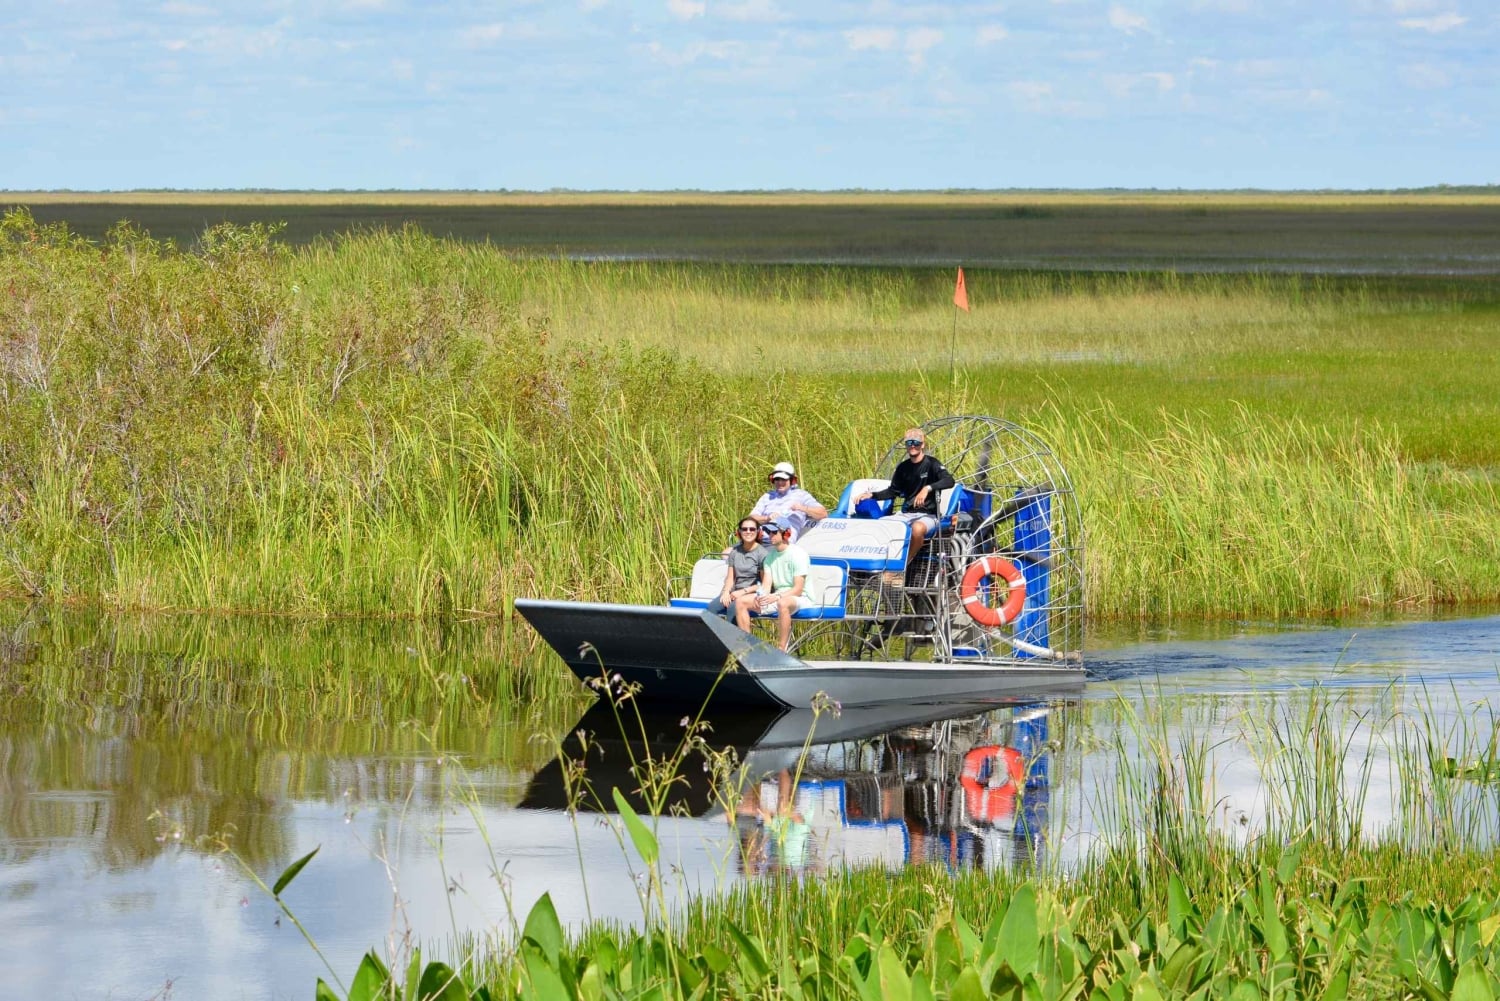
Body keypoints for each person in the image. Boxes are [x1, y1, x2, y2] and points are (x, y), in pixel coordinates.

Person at [854, 427, 956, 578]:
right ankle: (871, 568)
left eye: (916, 442)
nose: (912, 446)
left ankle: (900, 569)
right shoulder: (903, 468)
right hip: (906, 513)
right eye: (909, 443)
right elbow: (892, 491)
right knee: (879, 524)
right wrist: (871, 495)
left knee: (917, 528)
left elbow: (949, 480)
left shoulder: (932, 464)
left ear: (922, 444)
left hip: (929, 515)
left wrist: (927, 488)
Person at [737, 517, 813, 651]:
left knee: (782, 603)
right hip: (778, 597)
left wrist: (777, 596)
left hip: (801, 598)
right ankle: (747, 650)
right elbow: (766, 586)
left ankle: (781, 649)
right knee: (741, 602)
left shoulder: (798, 554)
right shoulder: (769, 558)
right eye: (768, 532)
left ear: (786, 534)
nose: (770, 535)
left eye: (774, 532)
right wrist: (760, 596)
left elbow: (798, 589)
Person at [709, 518, 769, 626]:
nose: (748, 532)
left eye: (752, 529)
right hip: (734, 591)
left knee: (733, 608)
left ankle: (732, 640)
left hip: (752, 592)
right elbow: (730, 577)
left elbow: (764, 585)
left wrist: (743, 592)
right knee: (711, 608)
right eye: (744, 529)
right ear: (739, 532)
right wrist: (726, 592)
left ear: (757, 532)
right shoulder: (735, 552)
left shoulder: (762, 554)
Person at [747, 462, 827, 542]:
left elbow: (823, 513)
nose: (780, 483)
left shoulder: (801, 495)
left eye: (783, 479)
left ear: (792, 480)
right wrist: (767, 518)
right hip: (756, 539)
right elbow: (751, 518)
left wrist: (802, 508)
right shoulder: (767, 496)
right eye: (777, 479)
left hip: (779, 543)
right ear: (772, 480)